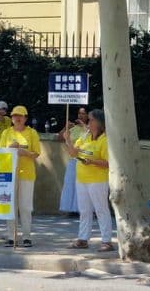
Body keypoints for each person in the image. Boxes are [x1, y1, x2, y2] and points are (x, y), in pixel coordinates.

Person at [62, 109, 113, 252]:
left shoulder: (105, 140)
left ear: (98, 122)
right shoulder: (84, 136)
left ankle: (107, 241)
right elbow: (73, 154)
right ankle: (83, 239)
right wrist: (68, 141)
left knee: (101, 210)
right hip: (81, 179)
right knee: (84, 211)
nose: (88, 122)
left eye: (90, 119)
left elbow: (109, 163)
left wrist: (92, 162)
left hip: (97, 180)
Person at [0, 105, 41, 247]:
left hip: (27, 174)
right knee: (10, 206)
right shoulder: (6, 132)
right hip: (10, 174)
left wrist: (26, 154)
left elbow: (36, 153)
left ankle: (27, 236)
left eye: (20, 116)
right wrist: (10, 149)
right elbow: (0, 152)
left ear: (25, 118)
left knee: (25, 207)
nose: (17, 118)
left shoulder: (32, 133)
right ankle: (11, 236)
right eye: (14, 116)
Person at [57, 107, 88, 215]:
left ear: (88, 116)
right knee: (70, 184)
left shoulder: (90, 128)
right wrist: (65, 128)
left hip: (85, 161)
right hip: (73, 160)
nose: (80, 116)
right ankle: (71, 209)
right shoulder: (74, 128)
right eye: (79, 113)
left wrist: (84, 126)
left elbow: (91, 136)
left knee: (82, 186)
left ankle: (81, 209)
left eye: (83, 114)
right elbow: (60, 138)